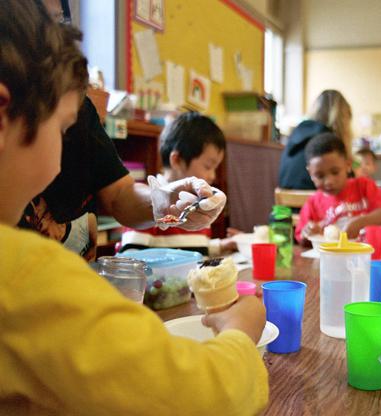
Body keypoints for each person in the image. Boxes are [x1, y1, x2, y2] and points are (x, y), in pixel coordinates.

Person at [0, 2, 267, 414]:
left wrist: (162, 201)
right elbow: (204, 394)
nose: (63, 152)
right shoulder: (23, 279)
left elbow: (120, 194)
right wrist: (239, 331)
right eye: (63, 128)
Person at [18, 0, 226, 261]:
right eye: (35, 24)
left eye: (59, 22)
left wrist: (162, 200)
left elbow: (119, 194)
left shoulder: (78, 108)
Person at [120, 112, 236, 256]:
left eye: (216, 168)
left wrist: (222, 245)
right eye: (208, 166)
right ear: (177, 160)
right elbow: (129, 257)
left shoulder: (197, 203)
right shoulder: (148, 207)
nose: (213, 176)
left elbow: (193, 249)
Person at [294, 133, 381, 245]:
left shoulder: (363, 185)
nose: (329, 181)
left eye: (335, 172)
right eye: (320, 176)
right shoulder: (312, 203)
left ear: (348, 165)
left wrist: (359, 222)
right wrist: (308, 233)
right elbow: (302, 239)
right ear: (310, 173)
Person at [278, 89, 352, 190]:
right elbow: (345, 182)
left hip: (286, 203)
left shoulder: (296, 135)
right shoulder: (329, 144)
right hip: (313, 201)